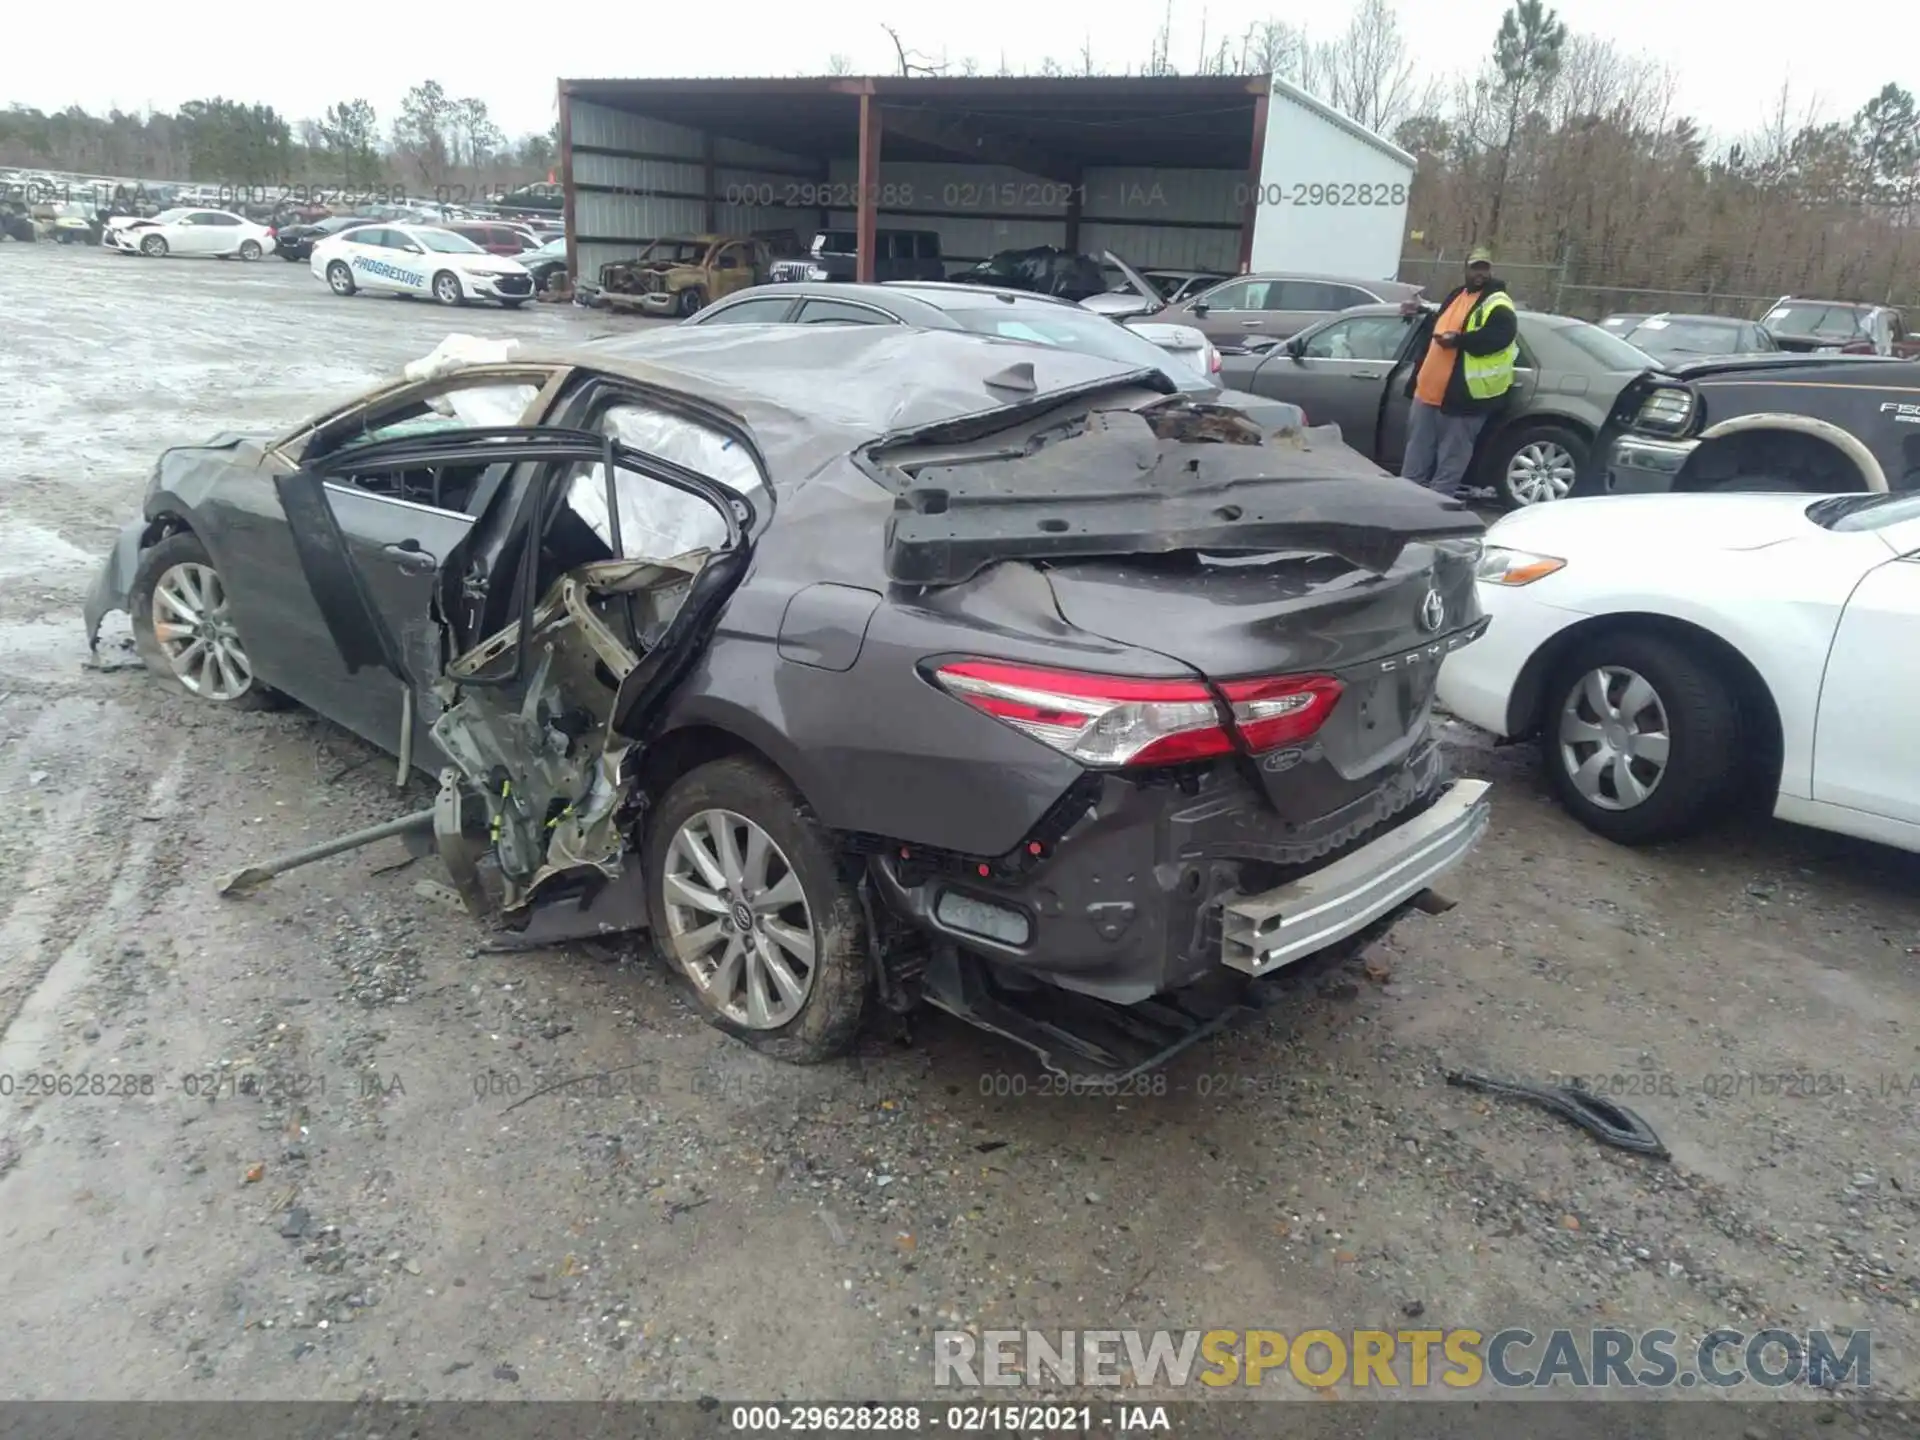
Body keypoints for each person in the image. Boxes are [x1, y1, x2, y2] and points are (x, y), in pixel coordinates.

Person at [1398, 246, 1519, 500]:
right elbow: (1442, 323)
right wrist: (1420, 312)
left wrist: (1459, 341)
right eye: (1475, 267)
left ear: (1490, 270)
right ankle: (1406, 501)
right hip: (1427, 392)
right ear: (1466, 269)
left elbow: (1501, 336)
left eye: (1484, 268)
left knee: (1452, 457)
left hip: (1463, 397)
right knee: (1417, 452)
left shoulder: (1497, 302)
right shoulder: (1457, 295)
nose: (1479, 273)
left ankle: (1437, 508)